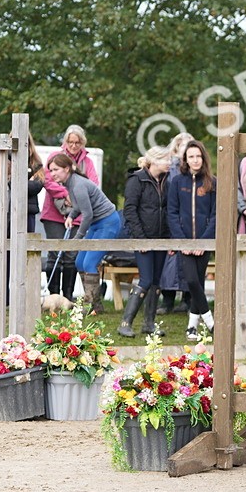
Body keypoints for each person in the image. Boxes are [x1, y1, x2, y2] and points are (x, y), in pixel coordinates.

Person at [47, 152, 122, 313]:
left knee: (89, 263)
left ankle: (89, 305)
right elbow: (80, 207)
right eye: (51, 170)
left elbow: (87, 215)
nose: (52, 174)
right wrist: (71, 216)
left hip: (108, 223)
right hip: (96, 224)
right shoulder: (70, 183)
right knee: (79, 262)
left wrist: (77, 238)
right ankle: (96, 305)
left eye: (55, 169)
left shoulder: (78, 185)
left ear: (67, 169)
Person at [39, 125, 99, 301]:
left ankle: (67, 296)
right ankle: (53, 295)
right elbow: (48, 180)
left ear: (82, 143)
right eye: (70, 142)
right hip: (53, 214)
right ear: (65, 141)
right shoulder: (55, 157)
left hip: (77, 213)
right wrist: (67, 195)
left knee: (71, 255)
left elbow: (94, 184)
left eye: (77, 142)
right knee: (54, 253)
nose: (73, 145)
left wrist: (77, 198)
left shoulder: (87, 163)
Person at [118, 146, 172, 338]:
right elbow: (130, 210)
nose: (170, 162)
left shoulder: (166, 180)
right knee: (146, 279)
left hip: (161, 239)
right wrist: (140, 239)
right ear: (155, 161)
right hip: (143, 238)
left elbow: (168, 210)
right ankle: (125, 322)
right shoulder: (137, 180)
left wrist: (169, 240)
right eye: (166, 159)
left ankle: (149, 324)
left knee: (157, 281)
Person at [167, 140, 217, 341]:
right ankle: (211, 323)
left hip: (205, 242)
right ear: (185, 160)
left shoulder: (212, 182)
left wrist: (203, 242)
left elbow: (215, 215)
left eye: (198, 156)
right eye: (191, 157)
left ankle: (192, 327)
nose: (195, 160)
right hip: (184, 243)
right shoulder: (177, 182)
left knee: (199, 282)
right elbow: (172, 212)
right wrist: (183, 242)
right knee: (191, 280)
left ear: (203, 158)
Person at [158, 132, 195, 315]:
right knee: (170, 263)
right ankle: (167, 301)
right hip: (171, 218)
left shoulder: (196, 168)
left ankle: (187, 301)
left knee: (189, 261)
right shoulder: (169, 169)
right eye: (183, 145)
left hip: (191, 220)